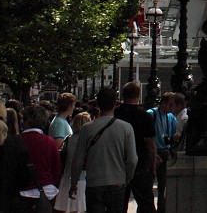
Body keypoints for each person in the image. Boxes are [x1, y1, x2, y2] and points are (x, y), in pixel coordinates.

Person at [68, 88, 136, 213]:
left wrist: (74, 183)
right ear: (115, 103)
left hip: (94, 182)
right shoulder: (126, 128)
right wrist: (127, 177)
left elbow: (78, 159)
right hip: (117, 182)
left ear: (98, 104)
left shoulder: (87, 129)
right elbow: (132, 159)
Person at [113, 82, 155, 213]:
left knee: (119, 204)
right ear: (138, 95)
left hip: (118, 162)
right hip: (140, 162)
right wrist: (152, 166)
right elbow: (151, 145)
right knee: (146, 203)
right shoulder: (144, 115)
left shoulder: (116, 113)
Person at [18, 104, 62, 210]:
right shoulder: (49, 142)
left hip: (23, 192)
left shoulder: (18, 141)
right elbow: (56, 169)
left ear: (26, 121)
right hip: (46, 191)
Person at [146, 94, 179, 213]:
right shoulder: (151, 114)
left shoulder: (171, 117)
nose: (172, 107)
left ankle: (161, 210)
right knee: (148, 185)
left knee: (164, 187)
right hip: (154, 153)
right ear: (164, 103)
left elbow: (174, 134)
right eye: (170, 104)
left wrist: (174, 138)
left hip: (165, 152)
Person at [54, 112, 90, 212]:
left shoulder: (68, 139)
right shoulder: (89, 140)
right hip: (83, 178)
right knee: (82, 208)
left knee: (66, 208)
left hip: (67, 177)